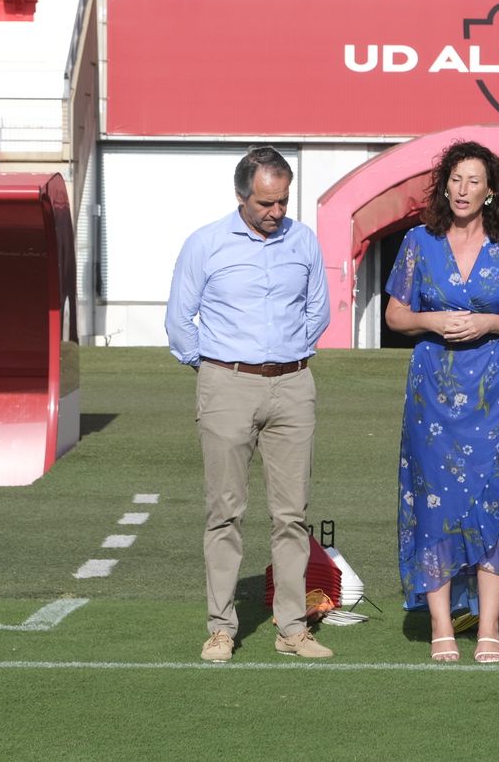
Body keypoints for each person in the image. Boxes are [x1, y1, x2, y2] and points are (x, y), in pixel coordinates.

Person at [385, 140, 499, 664]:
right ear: (444, 185)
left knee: (498, 503)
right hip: (434, 395)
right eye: (456, 180)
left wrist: (490, 322)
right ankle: (441, 626)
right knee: (435, 507)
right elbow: (395, 316)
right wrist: (432, 320)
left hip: (498, 392)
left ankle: (489, 625)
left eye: (474, 181)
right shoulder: (419, 242)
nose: (463, 190)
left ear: (491, 192)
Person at [166, 146, 332, 662]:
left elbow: (318, 310)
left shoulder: (303, 240)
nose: (275, 212)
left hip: (293, 386)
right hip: (226, 385)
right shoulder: (205, 244)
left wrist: (286, 355)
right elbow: (179, 320)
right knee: (224, 513)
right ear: (241, 196)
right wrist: (217, 368)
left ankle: (292, 629)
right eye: (265, 203)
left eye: (282, 201)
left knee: (291, 516)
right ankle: (221, 628)